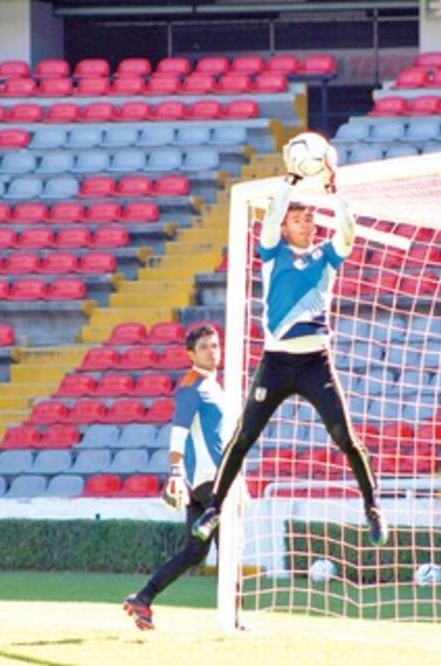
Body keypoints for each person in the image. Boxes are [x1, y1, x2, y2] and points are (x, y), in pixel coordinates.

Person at [190, 147, 387, 547]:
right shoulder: (272, 252)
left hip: (316, 362)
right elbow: (269, 223)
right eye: (298, 218)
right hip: (277, 363)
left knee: (346, 437)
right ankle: (214, 508)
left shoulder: (327, 255)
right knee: (243, 437)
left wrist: (334, 193)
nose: (306, 223)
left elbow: (347, 232)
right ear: (285, 225)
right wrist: (290, 184)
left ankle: (373, 508)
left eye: (310, 217)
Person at [123, 324, 227, 631]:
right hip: (211, 482)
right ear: (190, 354)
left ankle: (143, 598)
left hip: (203, 483)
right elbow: (178, 432)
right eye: (205, 347)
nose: (213, 351)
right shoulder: (192, 387)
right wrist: (175, 473)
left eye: (215, 345)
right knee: (230, 548)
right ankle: (234, 619)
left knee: (195, 552)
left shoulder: (213, 385)